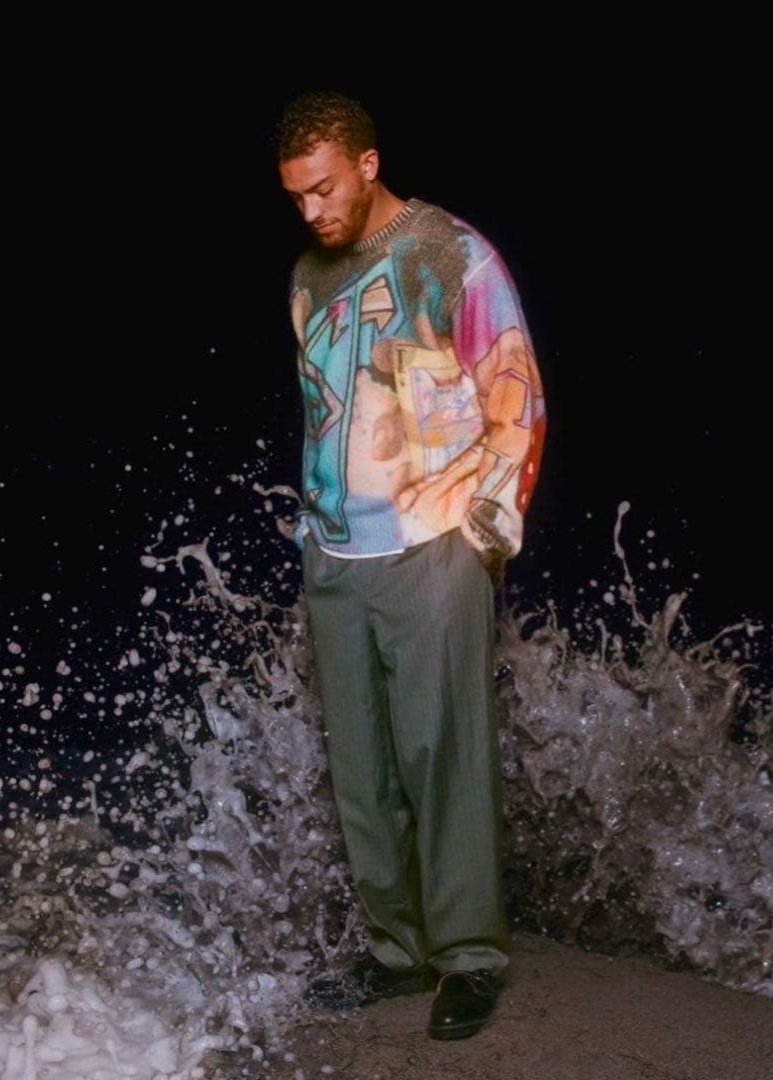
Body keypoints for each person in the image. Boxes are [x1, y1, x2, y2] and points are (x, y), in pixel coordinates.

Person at [275, 89, 546, 1041]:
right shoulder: (308, 273)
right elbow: (325, 409)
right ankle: (397, 953)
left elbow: (516, 389)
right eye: (296, 196)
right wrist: (312, 527)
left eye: (324, 188)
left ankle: (469, 958)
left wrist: (485, 533)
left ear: (368, 163)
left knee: (443, 759)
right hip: (336, 553)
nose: (312, 210)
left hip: (433, 543)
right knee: (361, 772)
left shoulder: (450, 253)